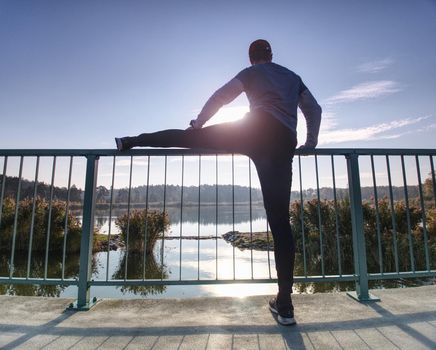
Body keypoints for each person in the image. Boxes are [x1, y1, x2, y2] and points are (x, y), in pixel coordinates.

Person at [115, 39, 321, 326]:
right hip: (283, 141)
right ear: (271, 55)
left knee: (188, 139)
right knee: (280, 222)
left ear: (251, 58)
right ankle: (285, 305)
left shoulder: (251, 74)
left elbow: (222, 96)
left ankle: (131, 141)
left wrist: (199, 123)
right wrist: (311, 142)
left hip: (253, 130)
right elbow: (314, 108)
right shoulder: (291, 76)